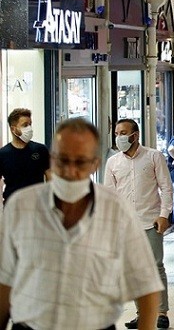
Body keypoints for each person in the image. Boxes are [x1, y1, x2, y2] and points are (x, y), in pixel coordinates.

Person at [0, 118, 163, 330]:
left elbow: (146, 285)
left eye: (80, 162)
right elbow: (5, 282)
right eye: (63, 161)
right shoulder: (21, 208)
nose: (70, 171)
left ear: (94, 164)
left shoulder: (116, 211)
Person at [105, 119, 174, 329]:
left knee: (155, 266)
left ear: (136, 135)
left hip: (150, 220)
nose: (119, 137)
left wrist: (164, 215)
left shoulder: (154, 156)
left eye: (124, 132)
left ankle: (161, 312)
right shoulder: (113, 163)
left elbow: (167, 187)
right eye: (117, 133)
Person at [0, 108, 50, 203]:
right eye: (25, 125)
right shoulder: (3, 154)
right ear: (13, 129)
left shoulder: (40, 150)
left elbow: (50, 177)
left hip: (37, 206)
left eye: (30, 124)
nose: (29, 128)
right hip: (13, 207)